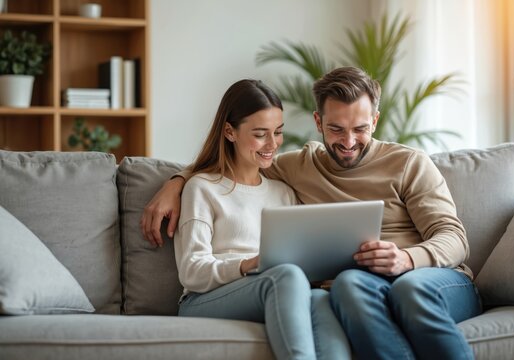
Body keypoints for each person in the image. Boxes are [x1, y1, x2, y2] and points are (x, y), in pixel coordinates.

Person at [142, 67, 482, 360]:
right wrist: (177, 182)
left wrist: (407, 260)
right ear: (318, 122)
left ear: (375, 121)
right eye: (336, 129)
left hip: (430, 276)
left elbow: (455, 239)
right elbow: (231, 170)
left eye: (360, 128)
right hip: (362, 284)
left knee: (408, 290)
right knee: (345, 285)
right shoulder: (296, 168)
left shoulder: (409, 163)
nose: (349, 141)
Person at [169, 79, 350, 360]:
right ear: (230, 131)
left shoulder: (283, 192)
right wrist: (247, 265)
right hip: (205, 299)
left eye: (277, 132)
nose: (272, 144)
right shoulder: (202, 187)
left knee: (320, 299)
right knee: (284, 276)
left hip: (271, 286)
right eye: (260, 134)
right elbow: (192, 270)